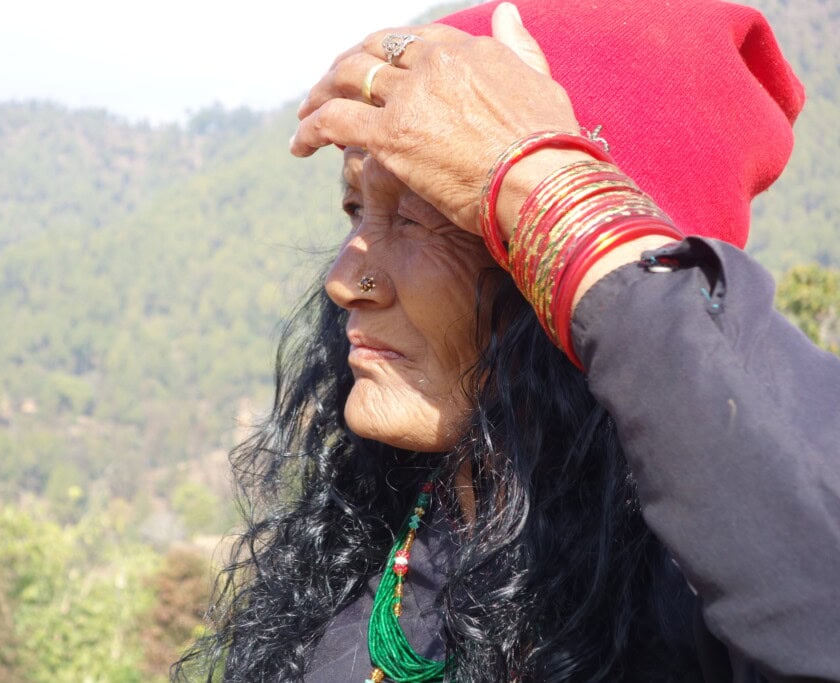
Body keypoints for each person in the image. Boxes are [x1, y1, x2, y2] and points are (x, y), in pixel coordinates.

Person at [173, 0, 840, 680]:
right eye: (356, 209)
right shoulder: (382, 564)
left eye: (419, 217)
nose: (345, 281)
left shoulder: (698, 609)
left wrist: (544, 184)